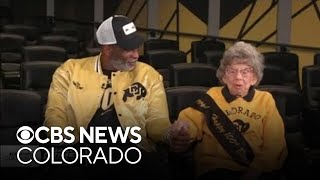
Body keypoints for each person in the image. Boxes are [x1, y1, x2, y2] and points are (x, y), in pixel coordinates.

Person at [43, 15, 174, 178]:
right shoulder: (70, 70)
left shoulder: (148, 75)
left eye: (137, 47)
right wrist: (62, 140)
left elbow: (157, 120)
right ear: (107, 49)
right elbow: (55, 113)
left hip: (132, 150)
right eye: (128, 49)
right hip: (82, 148)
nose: (136, 55)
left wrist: (170, 134)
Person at [169, 41, 288, 180]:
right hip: (214, 169)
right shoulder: (212, 96)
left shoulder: (265, 100)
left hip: (255, 170)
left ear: (254, 78)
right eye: (232, 71)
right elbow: (190, 123)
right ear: (224, 76)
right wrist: (183, 131)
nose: (238, 77)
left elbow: (274, 143)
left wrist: (256, 170)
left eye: (245, 72)